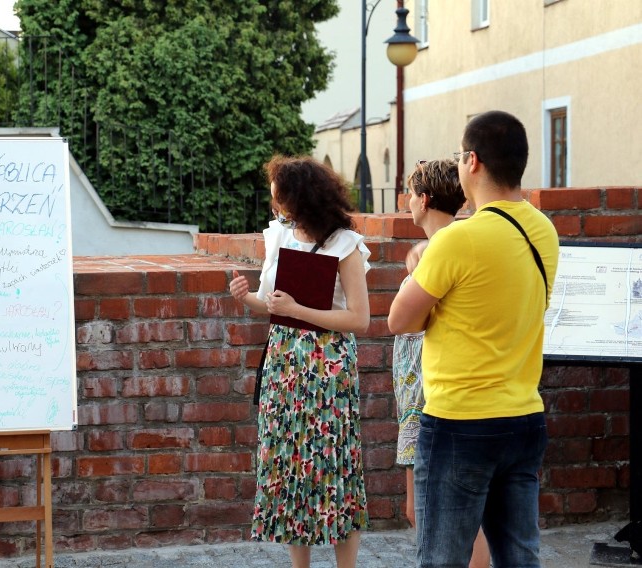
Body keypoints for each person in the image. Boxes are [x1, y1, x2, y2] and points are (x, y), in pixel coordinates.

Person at [388, 110, 560, 568]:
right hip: (524, 416)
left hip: (459, 422)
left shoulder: (455, 241)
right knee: (520, 557)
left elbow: (398, 320)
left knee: (442, 558)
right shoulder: (543, 230)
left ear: (473, 161)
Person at [229, 155, 372, 568]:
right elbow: (272, 305)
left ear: (300, 198)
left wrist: (299, 310)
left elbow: (359, 319)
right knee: (289, 462)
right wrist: (247, 298)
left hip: (327, 370)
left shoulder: (344, 245)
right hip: (284, 365)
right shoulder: (281, 237)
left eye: (280, 199)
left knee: (335, 462)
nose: (276, 208)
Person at [391, 159, 489, 568]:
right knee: (462, 514)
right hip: (433, 399)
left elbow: (404, 325)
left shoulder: (438, 253)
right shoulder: (455, 244)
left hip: (433, 400)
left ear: (425, 199)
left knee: (440, 516)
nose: (407, 201)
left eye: (412, 193)